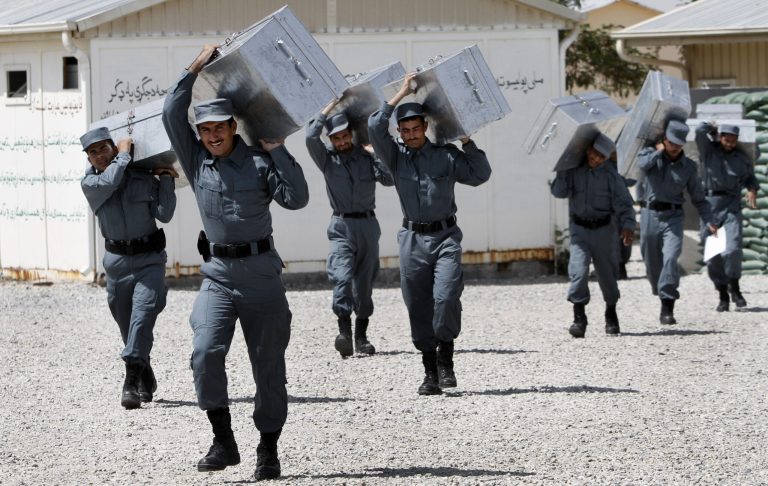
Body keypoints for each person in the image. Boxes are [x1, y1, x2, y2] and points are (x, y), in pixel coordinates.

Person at [162, 45, 309, 480]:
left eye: (218, 128)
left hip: (262, 275)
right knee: (205, 353)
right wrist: (196, 66)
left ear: (232, 127)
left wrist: (279, 150)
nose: (211, 136)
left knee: (268, 366)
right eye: (204, 129)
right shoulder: (196, 160)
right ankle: (223, 440)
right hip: (218, 277)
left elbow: (298, 199)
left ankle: (268, 448)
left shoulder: (262, 162)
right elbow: (173, 109)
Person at [367, 72, 492, 395]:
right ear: (400, 132)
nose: (410, 135)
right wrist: (400, 93)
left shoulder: (446, 155)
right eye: (404, 130)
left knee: (446, 296)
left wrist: (465, 139)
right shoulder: (394, 158)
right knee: (417, 304)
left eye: (415, 128)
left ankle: (446, 359)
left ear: (425, 127)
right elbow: (373, 126)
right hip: (412, 240)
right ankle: (429, 370)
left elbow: (480, 174)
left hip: (446, 236)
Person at [80, 126, 177, 410]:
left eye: (104, 148)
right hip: (117, 264)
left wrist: (166, 181)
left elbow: (165, 214)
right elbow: (111, 180)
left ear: (113, 147)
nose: (99, 155)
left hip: (149, 260)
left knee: (143, 316)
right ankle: (144, 371)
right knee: (126, 324)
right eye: (93, 152)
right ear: (88, 159)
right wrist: (123, 155)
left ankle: (130, 381)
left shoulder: (142, 179)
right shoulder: (92, 185)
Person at [305, 99, 394, 358]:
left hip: (368, 225)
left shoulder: (365, 157)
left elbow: (389, 179)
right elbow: (311, 137)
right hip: (341, 225)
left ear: (351, 135)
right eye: (336, 139)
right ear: (331, 140)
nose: (341, 142)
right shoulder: (327, 160)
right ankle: (343, 332)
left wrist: (375, 153)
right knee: (341, 277)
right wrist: (327, 108)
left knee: (364, 282)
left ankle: (361, 337)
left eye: (344, 137)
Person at [550, 134, 636, 338]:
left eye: (601, 157)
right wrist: (562, 168)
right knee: (578, 272)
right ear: (589, 150)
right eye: (595, 154)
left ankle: (611, 312)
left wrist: (628, 226)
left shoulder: (611, 176)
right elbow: (559, 193)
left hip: (604, 231)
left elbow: (624, 203)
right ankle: (579, 318)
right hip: (580, 230)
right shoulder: (573, 170)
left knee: (608, 276)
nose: (596, 159)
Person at [638, 120, 716, 325]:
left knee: (671, 258)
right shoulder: (650, 155)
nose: (676, 148)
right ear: (664, 140)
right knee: (651, 261)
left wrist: (709, 220)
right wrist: (658, 151)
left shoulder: (689, 167)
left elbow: (698, 198)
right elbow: (642, 165)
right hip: (650, 215)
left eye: (680, 144)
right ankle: (660, 288)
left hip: (673, 216)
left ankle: (667, 304)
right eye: (672, 143)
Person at [695, 122, 759, 311]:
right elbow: (699, 131)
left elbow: (749, 176)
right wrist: (711, 128)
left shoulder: (741, 158)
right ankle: (722, 293)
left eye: (733, 141)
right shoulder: (709, 152)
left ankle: (734, 285)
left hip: (731, 206)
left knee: (732, 249)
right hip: (710, 208)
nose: (730, 144)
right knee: (713, 254)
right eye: (726, 139)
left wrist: (752, 188)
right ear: (720, 137)